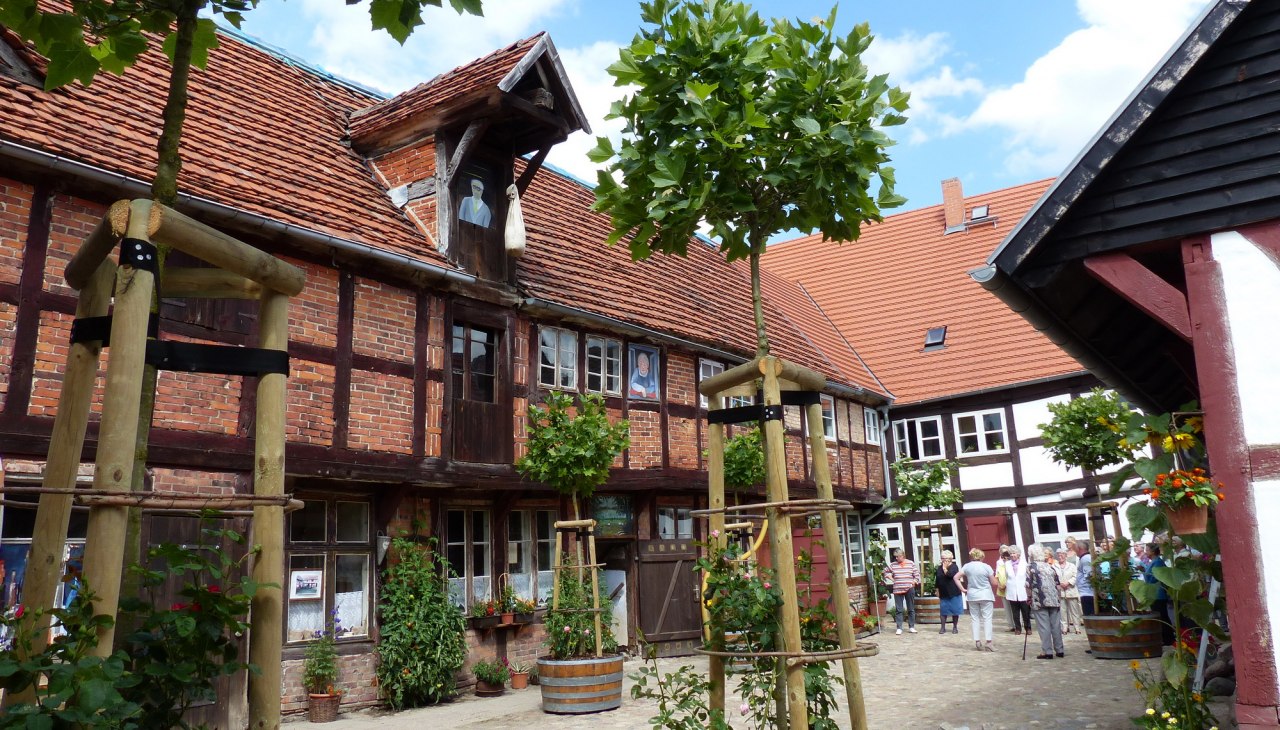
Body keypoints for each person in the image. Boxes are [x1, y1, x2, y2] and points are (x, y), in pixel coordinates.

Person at [1027, 544, 1066, 659]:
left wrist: (1029, 597)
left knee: (1044, 626)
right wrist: (1058, 598)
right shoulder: (1050, 567)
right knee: (1055, 625)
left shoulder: (1030, 567)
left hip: (1039, 600)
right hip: (1053, 599)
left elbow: (1028, 584)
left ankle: (1047, 651)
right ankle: (1060, 649)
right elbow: (1057, 584)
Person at [957, 548, 996, 652]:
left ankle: (977, 641)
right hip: (985, 594)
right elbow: (994, 582)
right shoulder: (986, 567)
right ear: (981, 557)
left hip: (972, 595)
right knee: (987, 618)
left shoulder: (967, 566)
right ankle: (989, 642)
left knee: (975, 618)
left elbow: (956, 577)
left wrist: (962, 589)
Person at [884, 549, 920, 635]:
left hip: (909, 588)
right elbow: (885, 572)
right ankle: (899, 627)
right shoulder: (893, 565)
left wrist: (914, 582)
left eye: (898, 556)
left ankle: (911, 627)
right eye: (895, 557)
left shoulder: (910, 563)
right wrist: (891, 578)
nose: (896, 558)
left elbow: (917, 575)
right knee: (899, 609)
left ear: (902, 555)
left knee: (911, 608)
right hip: (897, 589)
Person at [1145, 543, 1175, 645]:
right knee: (1160, 615)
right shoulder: (1153, 562)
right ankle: (1165, 637)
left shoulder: (1158, 562)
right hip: (1154, 593)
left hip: (1158, 593)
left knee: (1162, 616)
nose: (1146, 552)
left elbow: (1155, 577)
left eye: (1147, 550)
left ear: (1153, 551)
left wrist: (1146, 575)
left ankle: (1168, 638)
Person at [1004, 545, 1031, 635]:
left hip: (1022, 590)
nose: (1012, 555)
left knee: (1025, 611)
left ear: (1018, 554)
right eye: (1011, 553)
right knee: (1015, 612)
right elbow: (1006, 577)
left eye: (1014, 553)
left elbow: (1028, 576)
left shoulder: (1024, 563)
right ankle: (1018, 628)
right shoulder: (1007, 564)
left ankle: (1028, 628)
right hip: (1012, 590)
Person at [935, 550, 963, 634]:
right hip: (943, 593)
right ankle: (943, 627)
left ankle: (955, 627)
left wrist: (945, 568)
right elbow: (937, 579)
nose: (943, 560)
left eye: (944, 558)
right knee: (943, 611)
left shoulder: (954, 567)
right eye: (942, 558)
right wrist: (937, 589)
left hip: (954, 592)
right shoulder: (939, 568)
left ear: (950, 559)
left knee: (955, 610)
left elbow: (950, 575)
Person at [1056, 547, 1082, 634]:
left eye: (1062, 555)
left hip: (1071, 590)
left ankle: (1077, 628)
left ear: (1065, 556)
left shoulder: (1072, 566)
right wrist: (1058, 584)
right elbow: (1053, 578)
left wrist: (1068, 582)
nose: (1060, 556)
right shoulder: (1054, 566)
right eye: (1059, 555)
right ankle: (1064, 628)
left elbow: (1075, 576)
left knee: (1074, 611)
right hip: (1060, 592)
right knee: (1063, 611)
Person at [1077, 539, 1096, 617]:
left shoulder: (1085, 558)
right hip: (1086, 592)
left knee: (1090, 616)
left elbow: (1089, 574)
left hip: (1088, 593)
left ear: (1079, 548)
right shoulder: (1084, 558)